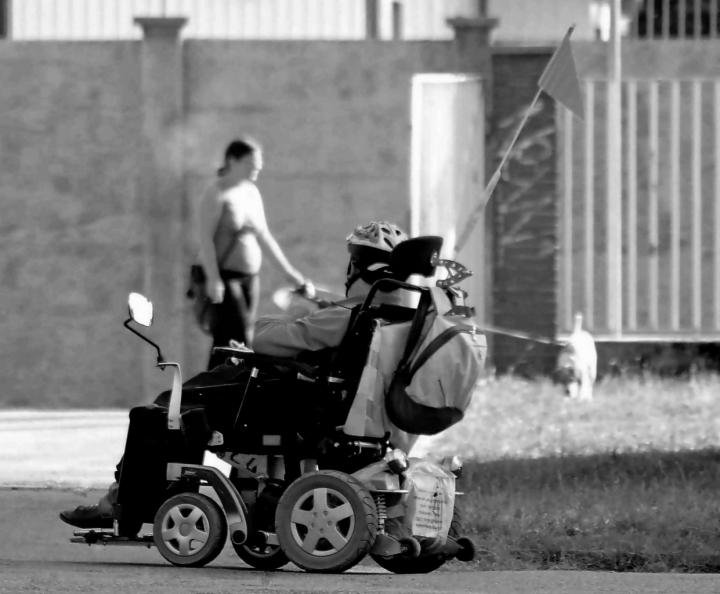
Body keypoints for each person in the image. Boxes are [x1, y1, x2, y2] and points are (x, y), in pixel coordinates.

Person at [60, 221, 410, 529]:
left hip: (295, 405)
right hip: (336, 406)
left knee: (163, 411)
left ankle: (122, 503)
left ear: (358, 267)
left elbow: (261, 336)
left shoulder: (347, 316)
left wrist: (279, 322)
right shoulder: (395, 317)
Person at [197, 137, 309, 369]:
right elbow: (205, 237)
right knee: (238, 336)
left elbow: (263, 236)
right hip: (225, 277)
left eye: (258, 162)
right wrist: (213, 278)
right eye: (250, 162)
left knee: (230, 337)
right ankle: (220, 389)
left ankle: (213, 389)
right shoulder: (217, 193)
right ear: (233, 161)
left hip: (248, 278)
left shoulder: (251, 192)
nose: (257, 167)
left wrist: (291, 274)